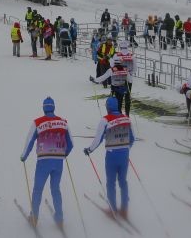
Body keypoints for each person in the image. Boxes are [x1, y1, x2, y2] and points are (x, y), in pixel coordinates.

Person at [20, 97, 73, 228]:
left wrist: (24, 156)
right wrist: (64, 154)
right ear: (53, 107)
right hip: (58, 161)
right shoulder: (63, 122)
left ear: (44, 108)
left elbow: (30, 141)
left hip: (43, 161)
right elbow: (71, 144)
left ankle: (34, 217)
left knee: (38, 189)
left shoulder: (37, 122)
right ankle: (59, 218)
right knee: (55, 189)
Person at [84, 97, 135, 219]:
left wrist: (89, 150)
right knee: (123, 182)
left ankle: (113, 210)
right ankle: (124, 210)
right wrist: (126, 148)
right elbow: (132, 138)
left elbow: (98, 139)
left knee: (111, 183)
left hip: (112, 155)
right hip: (124, 154)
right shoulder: (126, 119)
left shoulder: (105, 120)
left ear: (107, 107)